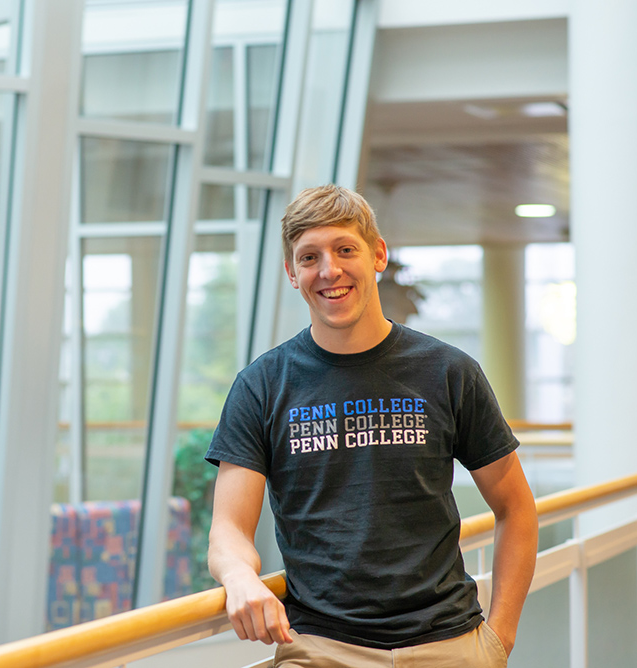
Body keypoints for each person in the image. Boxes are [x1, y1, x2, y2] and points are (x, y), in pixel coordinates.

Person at [205, 185, 538, 667]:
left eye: (345, 250)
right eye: (309, 257)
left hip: (448, 643)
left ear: (378, 254)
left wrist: (498, 640)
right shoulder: (262, 385)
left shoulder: (448, 371)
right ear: (291, 273)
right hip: (321, 648)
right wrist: (239, 576)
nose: (329, 271)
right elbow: (228, 529)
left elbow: (515, 507)